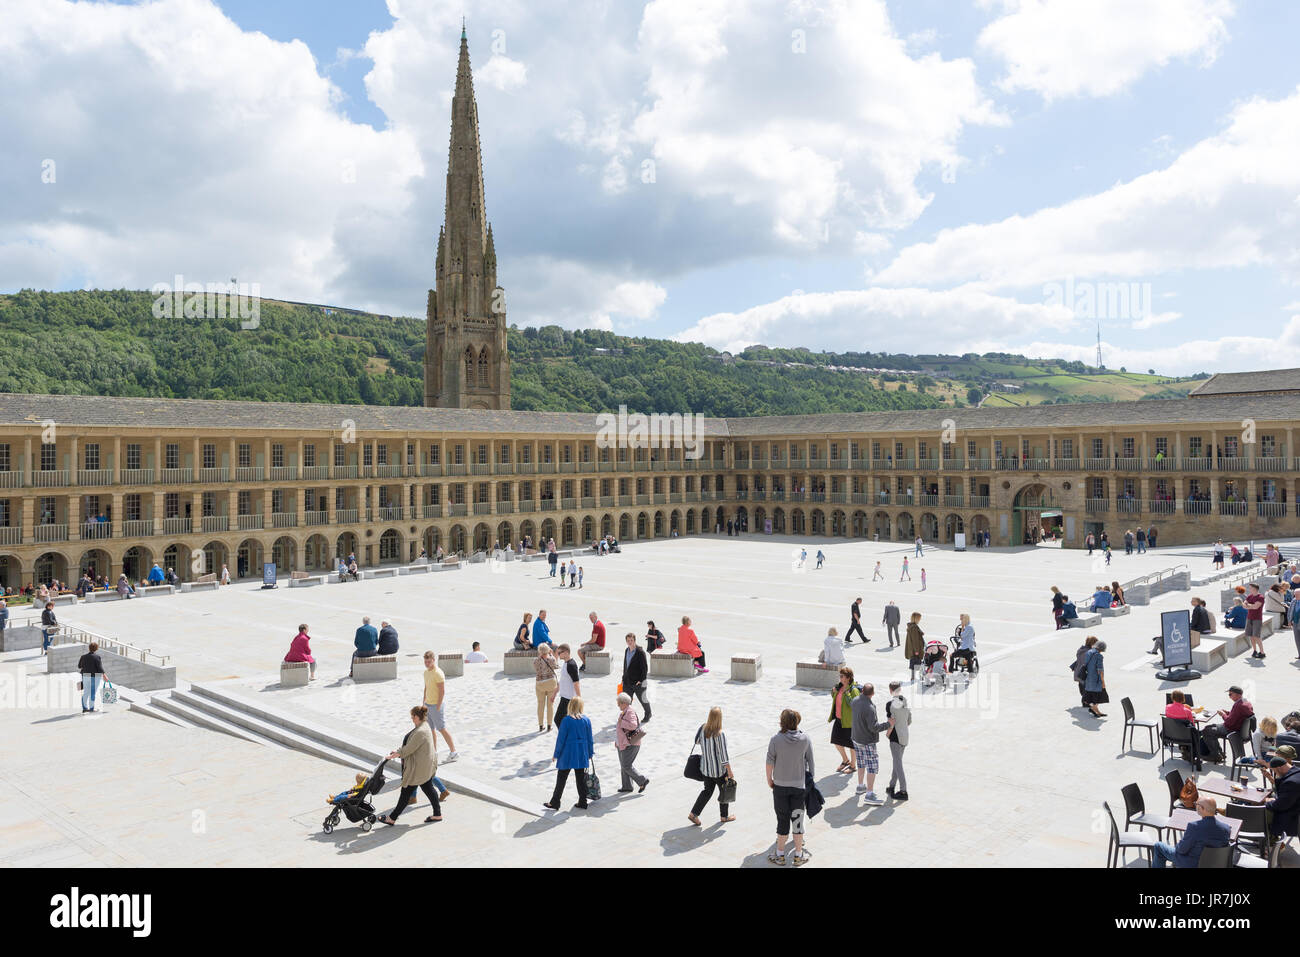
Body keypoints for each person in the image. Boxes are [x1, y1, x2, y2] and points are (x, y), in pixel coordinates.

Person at [377, 706, 441, 825]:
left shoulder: (421, 731)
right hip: (425, 766)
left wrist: (394, 755)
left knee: (406, 792)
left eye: (412, 717)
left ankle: (392, 818)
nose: (412, 719)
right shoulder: (424, 725)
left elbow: (409, 749)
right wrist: (397, 752)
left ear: (417, 717)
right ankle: (437, 814)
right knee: (428, 788)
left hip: (419, 769)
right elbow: (410, 746)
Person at [766, 709, 814, 866]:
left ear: (782, 721)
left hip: (779, 786)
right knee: (798, 820)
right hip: (799, 787)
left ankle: (779, 855)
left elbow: (769, 762)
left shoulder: (775, 739)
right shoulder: (805, 739)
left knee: (782, 819)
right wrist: (809, 782)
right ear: (797, 721)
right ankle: (798, 855)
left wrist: (770, 780)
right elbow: (811, 763)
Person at [1149, 796, 1231, 868]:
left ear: (1201, 808)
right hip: (1214, 864)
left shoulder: (1194, 827)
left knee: (1158, 846)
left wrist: (1178, 846)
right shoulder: (1226, 829)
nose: (1195, 806)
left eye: (1196, 804)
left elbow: (1181, 850)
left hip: (1192, 864)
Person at [545, 695, 594, 811]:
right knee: (580, 778)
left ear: (570, 706)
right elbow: (590, 739)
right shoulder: (586, 720)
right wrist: (590, 753)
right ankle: (583, 801)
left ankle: (555, 802)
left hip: (568, 753)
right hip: (581, 753)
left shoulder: (566, 720)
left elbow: (561, 739)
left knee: (561, 778)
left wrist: (556, 754)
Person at [688, 706, 734, 825]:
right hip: (718, 770)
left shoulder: (703, 729)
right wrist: (729, 771)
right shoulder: (720, 734)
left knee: (707, 791)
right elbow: (723, 756)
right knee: (724, 791)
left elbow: (696, 742)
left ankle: (693, 814)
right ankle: (724, 816)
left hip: (706, 769)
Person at [851, 682, 891, 804]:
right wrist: (889, 724)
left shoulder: (855, 700)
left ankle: (860, 786)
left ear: (862, 690)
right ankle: (869, 794)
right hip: (867, 741)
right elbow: (874, 727)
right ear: (873, 694)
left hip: (856, 738)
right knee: (872, 766)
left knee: (861, 762)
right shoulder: (870, 708)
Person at [1200, 685, 1254, 762]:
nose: (1229, 697)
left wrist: (1223, 714)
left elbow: (1229, 723)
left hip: (1233, 730)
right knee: (1210, 727)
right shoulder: (1246, 702)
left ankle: (1215, 755)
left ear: (1238, 695)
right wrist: (1228, 713)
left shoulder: (1238, 705)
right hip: (1239, 728)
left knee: (1207, 731)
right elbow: (1237, 716)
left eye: (1230, 694)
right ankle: (1219, 753)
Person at [422, 650, 458, 761]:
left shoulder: (438, 673)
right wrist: (423, 702)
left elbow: (442, 691)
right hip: (428, 705)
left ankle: (453, 752)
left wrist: (437, 706)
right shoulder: (426, 672)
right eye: (425, 662)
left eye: (429, 662)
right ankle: (434, 752)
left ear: (433, 660)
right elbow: (426, 687)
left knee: (442, 729)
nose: (427, 664)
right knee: (431, 729)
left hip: (436, 706)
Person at [615, 692, 649, 794]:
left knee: (626, 765)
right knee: (624, 765)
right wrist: (617, 741)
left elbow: (633, 726)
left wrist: (622, 722)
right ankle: (627, 786)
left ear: (624, 703)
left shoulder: (629, 712)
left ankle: (642, 780)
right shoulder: (625, 711)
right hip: (623, 743)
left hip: (631, 744)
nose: (618, 705)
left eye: (619, 703)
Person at [1263, 747, 1300, 840]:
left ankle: (1272, 841)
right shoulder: (1295, 772)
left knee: (1259, 812)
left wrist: (1267, 802)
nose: (1275, 774)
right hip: (1291, 808)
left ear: (1279, 767)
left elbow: (1280, 805)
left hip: (1291, 817)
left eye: (1275, 771)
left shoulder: (1291, 783)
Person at [828, 666, 859, 773]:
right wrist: (833, 692)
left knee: (852, 745)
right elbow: (836, 699)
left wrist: (847, 694)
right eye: (840, 676)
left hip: (850, 722)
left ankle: (853, 766)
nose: (840, 678)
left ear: (848, 678)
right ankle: (846, 760)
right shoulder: (839, 687)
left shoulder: (853, 690)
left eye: (842, 676)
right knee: (836, 741)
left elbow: (855, 705)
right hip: (839, 719)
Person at [884, 681, 910, 800]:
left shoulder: (890, 704)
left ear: (890, 690)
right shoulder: (905, 702)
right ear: (900, 690)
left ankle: (903, 791)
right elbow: (909, 720)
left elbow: (891, 722)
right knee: (897, 762)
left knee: (898, 764)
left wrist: (888, 733)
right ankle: (891, 786)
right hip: (905, 736)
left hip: (895, 737)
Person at [620, 632, 651, 721]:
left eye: (631, 640)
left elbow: (644, 668)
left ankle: (648, 714)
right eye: (628, 640)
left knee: (643, 700)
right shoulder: (626, 650)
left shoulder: (640, 652)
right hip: (627, 681)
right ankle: (627, 716)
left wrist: (641, 680)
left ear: (635, 640)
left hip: (638, 682)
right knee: (626, 702)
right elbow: (625, 665)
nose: (630, 642)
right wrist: (623, 678)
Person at [534, 641, 560, 731]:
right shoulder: (552, 659)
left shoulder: (536, 661)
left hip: (540, 683)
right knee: (550, 705)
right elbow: (556, 666)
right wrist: (551, 655)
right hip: (551, 683)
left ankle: (541, 725)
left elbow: (536, 669)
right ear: (548, 650)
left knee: (540, 705)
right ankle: (549, 725)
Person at [554, 643, 582, 723]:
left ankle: (565, 735)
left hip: (569, 699)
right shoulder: (566, 663)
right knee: (563, 720)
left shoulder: (571, 665)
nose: (558, 655)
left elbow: (576, 683)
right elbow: (562, 681)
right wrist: (554, 693)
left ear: (566, 652)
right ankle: (566, 735)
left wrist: (579, 699)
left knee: (558, 719)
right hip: (564, 697)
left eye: (560, 653)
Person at [78, 640, 107, 713]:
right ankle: (91, 708)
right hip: (94, 676)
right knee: (92, 693)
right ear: (96, 649)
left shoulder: (83, 656)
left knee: (86, 692)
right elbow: (100, 668)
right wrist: (104, 675)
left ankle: (84, 708)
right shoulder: (97, 657)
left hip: (85, 676)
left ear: (89, 648)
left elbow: (79, 666)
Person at [1082, 639, 1108, 718]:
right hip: (1096, 679)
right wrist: (1103, 681)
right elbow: (1100, 670)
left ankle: (1096, 710)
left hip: (1088, 677)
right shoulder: (1098, 656)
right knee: (1100, 695)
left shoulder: (1089, 652)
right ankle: (1093, 708)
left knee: (1091, 695)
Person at [1244, 583, 1266, 659]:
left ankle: (1262, 652)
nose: (1249, 589)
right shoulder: (1250, 596)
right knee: (1251, 636)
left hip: (1257, 619)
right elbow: (1244, 605)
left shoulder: (1260, 597)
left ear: (1255, 588)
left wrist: (1248, 605)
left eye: (1250, 588)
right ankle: (1254, 651)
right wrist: (1250, 605)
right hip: (1249, 618)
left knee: (1256, 636)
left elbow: (1256, 607)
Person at [905, 612, 925, 680]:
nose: (920, 620)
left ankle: (914, 677)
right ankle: (915, 677)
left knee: (914, 662)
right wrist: (917, 650)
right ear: (916, 619)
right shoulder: (914, 627)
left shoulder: (912, 626)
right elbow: (915, 640)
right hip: (915, 649)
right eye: (919, 618)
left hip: (913, 648)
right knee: (916, 662)